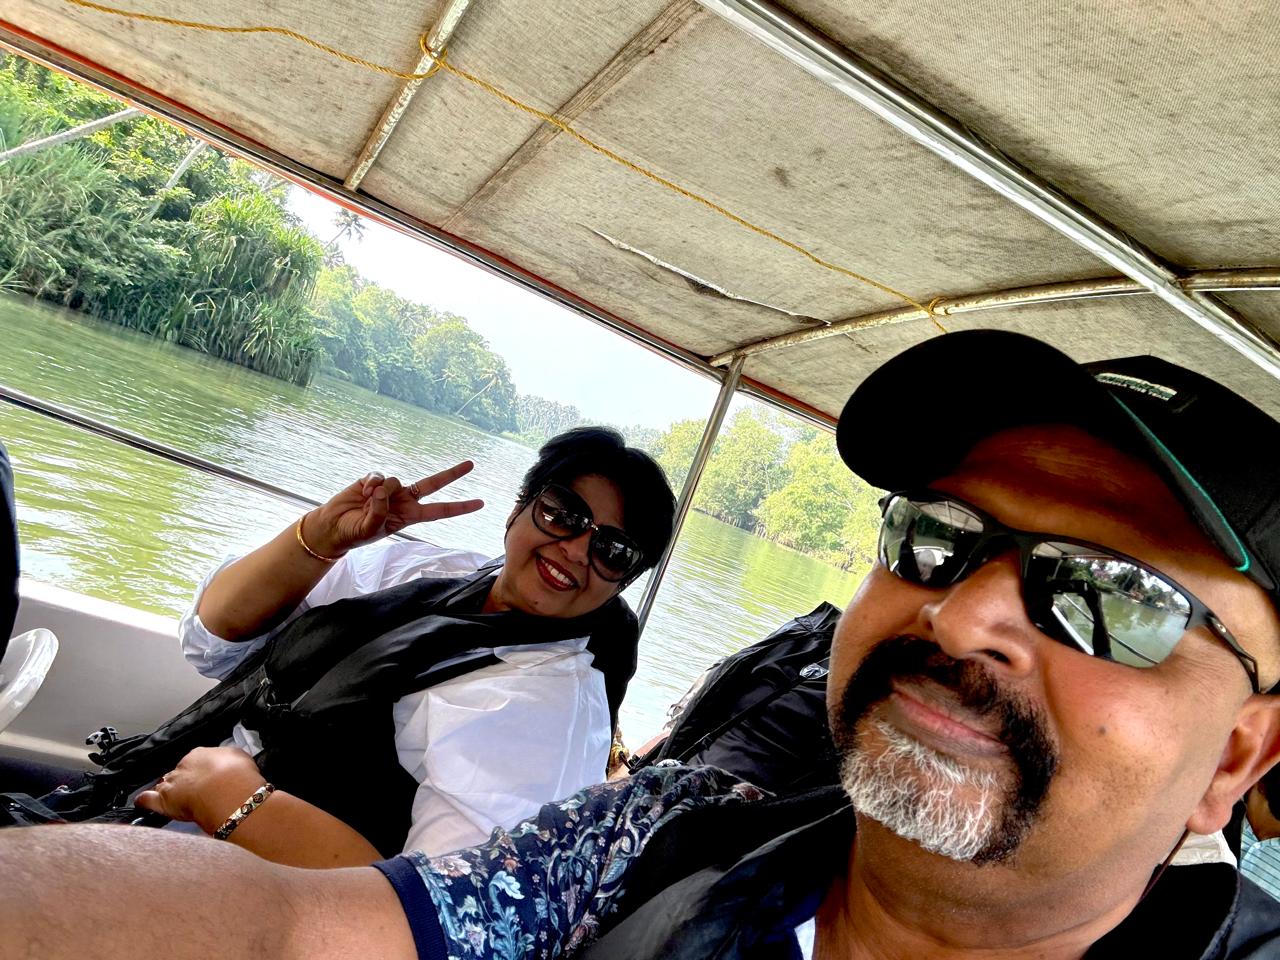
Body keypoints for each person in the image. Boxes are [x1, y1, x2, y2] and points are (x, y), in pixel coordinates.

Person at [4, 330, 1280, 960]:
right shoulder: (658, 833)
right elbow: (301, 930)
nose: (961, 613)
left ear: (1236, 753)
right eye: (938, 538)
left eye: (1113, 594)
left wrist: (239, 802)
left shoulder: (545, 700)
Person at [19, 427, 675, 867]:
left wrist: (236, 803)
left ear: (623, 581)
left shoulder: (545, 708)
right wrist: (320, 537)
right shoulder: (431, 570)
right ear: (521, 507)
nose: (575, 549)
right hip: (145, 803)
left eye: (612, 550)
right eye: (563, 513)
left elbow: (441, 909)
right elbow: (213, 641)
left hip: (242, 891)